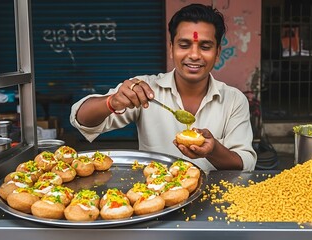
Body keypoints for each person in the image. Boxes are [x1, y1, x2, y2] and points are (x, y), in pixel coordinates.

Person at [70, 3, 256, 172]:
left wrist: (214, 150)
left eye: (205, 47)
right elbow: (80, 118)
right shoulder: (144, 89)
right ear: (171, 49)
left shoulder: (234, 100)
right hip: (156, 197)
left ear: (217, 54)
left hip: (215, 199)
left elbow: (245, 162)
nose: (194, 55)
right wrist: (112, 101)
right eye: (184, 45)